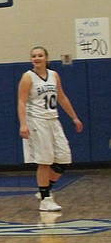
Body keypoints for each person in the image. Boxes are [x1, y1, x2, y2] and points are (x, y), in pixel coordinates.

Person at [17, 46, 83, 212]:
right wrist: (23, 124)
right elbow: (21, 102)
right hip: (37, 121)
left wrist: (74, 117)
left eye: (40, 55)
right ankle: (45, 199)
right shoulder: (28, 77)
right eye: (33, 56)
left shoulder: (54, 75)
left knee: (64, 157)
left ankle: (44, 189)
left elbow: (61, 97)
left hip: (54, 120)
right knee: (44, 160)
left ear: (46, 57)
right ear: (31, 59)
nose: (37, 58)